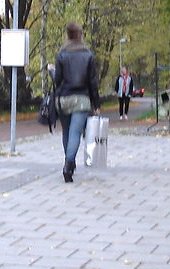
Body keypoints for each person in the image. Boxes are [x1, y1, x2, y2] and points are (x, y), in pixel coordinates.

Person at [48, 22, 100, 183]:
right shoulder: (88, 55)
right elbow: (92, 82)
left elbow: (58, 81)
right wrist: (96, 104)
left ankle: (68, 161)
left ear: (67, 35)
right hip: (82, 99)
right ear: (80, 35)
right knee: (76, 133)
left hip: (63, 99)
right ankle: (69, 165)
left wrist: (52, 71)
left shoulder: (62, 54)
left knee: (66, 132)